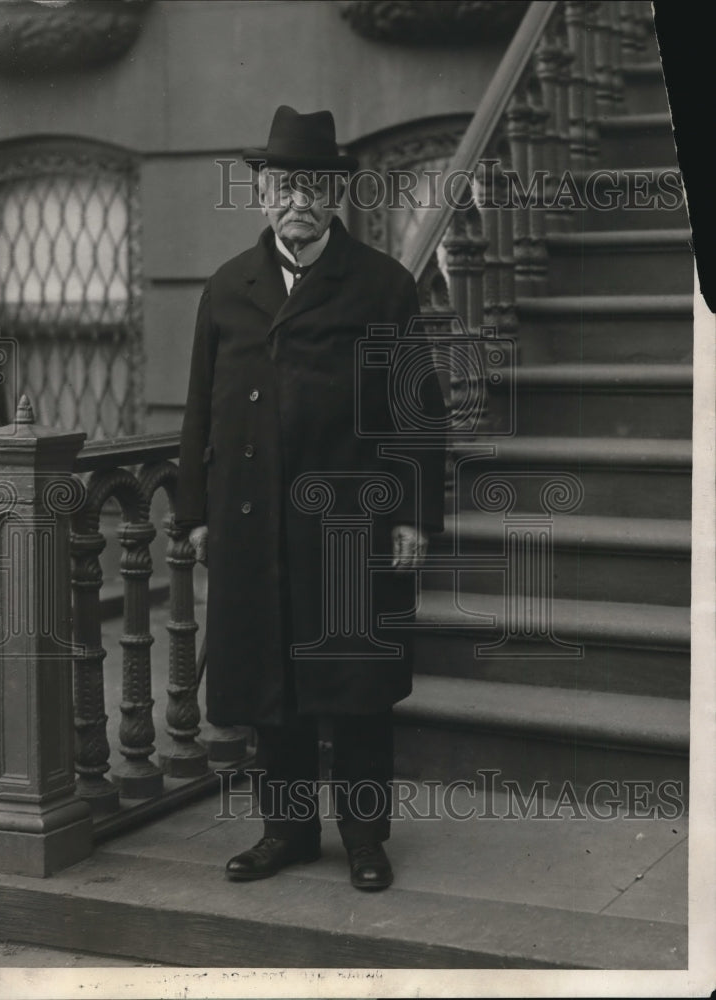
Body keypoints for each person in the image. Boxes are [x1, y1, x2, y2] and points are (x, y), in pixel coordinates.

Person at [174, 105, 445, 890]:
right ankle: (286, 832)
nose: (298, 199)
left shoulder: (381, 286)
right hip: (253, 526)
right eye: (283, 184)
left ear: (336, 196)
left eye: (315, 185)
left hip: (350, 524)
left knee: (356, 688)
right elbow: (198, 409)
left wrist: (414, 517)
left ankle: (364, 838)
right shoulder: (228, 289)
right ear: (261, 191)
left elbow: (415, 412)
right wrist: (191, 515)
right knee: (270, 687)